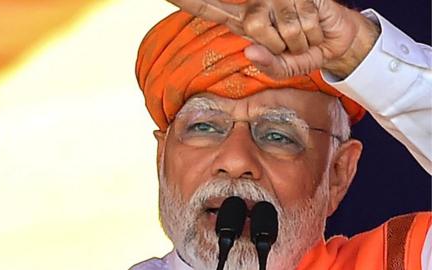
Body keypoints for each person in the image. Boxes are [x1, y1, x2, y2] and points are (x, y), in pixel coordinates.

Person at [131, 0, 431, 269]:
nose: (236, 161)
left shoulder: (402, 259)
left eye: (278, 136)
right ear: (161, 159)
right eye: (204, 127)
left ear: (338, 174)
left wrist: (361, 55)